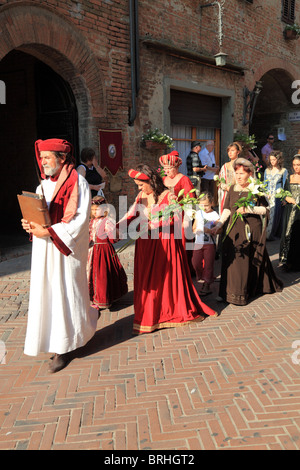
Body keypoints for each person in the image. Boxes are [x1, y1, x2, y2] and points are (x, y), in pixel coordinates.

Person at [21, 138, 98, 373]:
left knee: (65, 295)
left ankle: (64, 347)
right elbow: (35, 213)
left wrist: (49, 231)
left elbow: (80, 220)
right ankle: (53, 340)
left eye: (47, 157)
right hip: (44, 250)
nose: (42, 162)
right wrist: (28, 223)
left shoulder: (79, 183)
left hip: (65, 252)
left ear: (62, 158)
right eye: (41, 157)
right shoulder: (42, 186)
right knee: (47, 294)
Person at [118, 164, 217, 334]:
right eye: (138, 186)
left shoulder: (168, 196)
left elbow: (176, 218)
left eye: (141, 185)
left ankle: (167, 312)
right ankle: (150, 314)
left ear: (151, 181)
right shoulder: (141, 196)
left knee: (164, 278)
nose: (139, 188)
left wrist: (154, 224)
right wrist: (117, 226)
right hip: (146, 244)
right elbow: (131, 214)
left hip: (165, 243)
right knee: (150, 280)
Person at [211, 158, 283, 306]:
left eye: (241, 173)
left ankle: (241, 293)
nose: (238, 176)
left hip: (251, 229)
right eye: (236, 173)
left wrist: (248, 209)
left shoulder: (256, 188)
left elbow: (266, 209)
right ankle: (226, 292)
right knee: (231, 258)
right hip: (233, 228)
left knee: (243, 261)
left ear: (250, 173)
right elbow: (226, 209)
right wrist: (219, 223)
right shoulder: (232, 188)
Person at [87, 196, 128, 311]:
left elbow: (112, 237)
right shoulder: (92, 221)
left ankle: (103, 298)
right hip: (92, 250)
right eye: (93, 210)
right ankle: (93, 297)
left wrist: (117, 235)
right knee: (91, 274)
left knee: (102, 275)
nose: (95, 212)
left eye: (97, 209)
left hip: (104, 252)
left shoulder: (107, 221)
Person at [192, 192, 220, 296]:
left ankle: (207, 284)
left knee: (208, 264)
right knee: (195, 262)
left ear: (212, 203)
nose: (204, 208)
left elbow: (219, 229)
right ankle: (202, 277)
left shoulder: (214, 214)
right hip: (198, 243)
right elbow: (194, 227)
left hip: (209, 243)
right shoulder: (198, 213)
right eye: (201, 205)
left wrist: (212, 230)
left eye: (206, 205)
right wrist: (196, 230)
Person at [279, 154, 300, 271]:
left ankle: (296, 262)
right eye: (294, 165)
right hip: (289, 210)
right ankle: (286, 260)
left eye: (298, 165)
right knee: (287, 233)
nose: (296, 167)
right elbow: (284, 192)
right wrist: (287, 199)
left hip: (299, 213)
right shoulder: (290, 178)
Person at [264, 150, 288, 240]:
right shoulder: (267, 170)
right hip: (268, 196)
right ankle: (265, 234)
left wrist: (284, 198)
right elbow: (264, 184)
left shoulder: (283, 171)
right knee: (268, 214)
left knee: (275, 216)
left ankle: (270, 235)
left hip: (277, 197)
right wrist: (265, 193)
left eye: (274, 159)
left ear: (278, 160)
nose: (272, 161)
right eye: (271, 159)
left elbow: (285, 185)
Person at [218, 142, 242, 215]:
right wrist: (226, 187)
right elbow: (220, 182)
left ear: (238, 152)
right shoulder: (225, 166)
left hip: (238, 193)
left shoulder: (242, 165)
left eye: (232, 150)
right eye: (228, 151)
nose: (230, 153)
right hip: (226, 194)